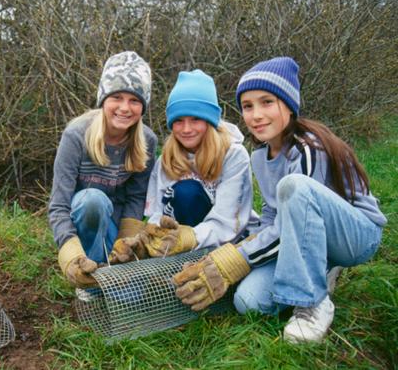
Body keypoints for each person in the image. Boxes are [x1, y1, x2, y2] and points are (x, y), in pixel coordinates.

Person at [171, 57, 387, 343]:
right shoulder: (260, 157)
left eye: (267, 102)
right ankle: (322, 269)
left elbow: (293, 221)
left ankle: (312, 302)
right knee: (249, 302)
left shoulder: (310, 147)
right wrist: (233, 250)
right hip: (306, 237)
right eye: (248, 106)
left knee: (295, 186)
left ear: (288, 105)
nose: (256, 115)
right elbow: (273, 219)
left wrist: (238, 260)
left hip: (354, 237)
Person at [109, 70, 253, 263]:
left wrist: (189, 237)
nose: (186, 129)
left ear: (210, 121)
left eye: (195, 119)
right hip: (174, 243)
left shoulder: (234, 155)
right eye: (178, 121)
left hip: (225, 241)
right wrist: (152, 236)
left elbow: (228, 222)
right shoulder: (166, 160)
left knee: (188, 191)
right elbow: (156, 215)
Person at [48, 51, 158, 290]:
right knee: (93, 201)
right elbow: (58, 206)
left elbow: (136, 197)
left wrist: (125, 247)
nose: (125, 108)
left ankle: (110, 272)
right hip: (83, 226)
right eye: (116, 97)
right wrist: (71, 257)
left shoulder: (147, 140)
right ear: (103, 100)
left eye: (134, 100)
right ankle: (89, 273)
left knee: (131, 298)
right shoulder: (76, 135)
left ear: (143, 106)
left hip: (116, 229)